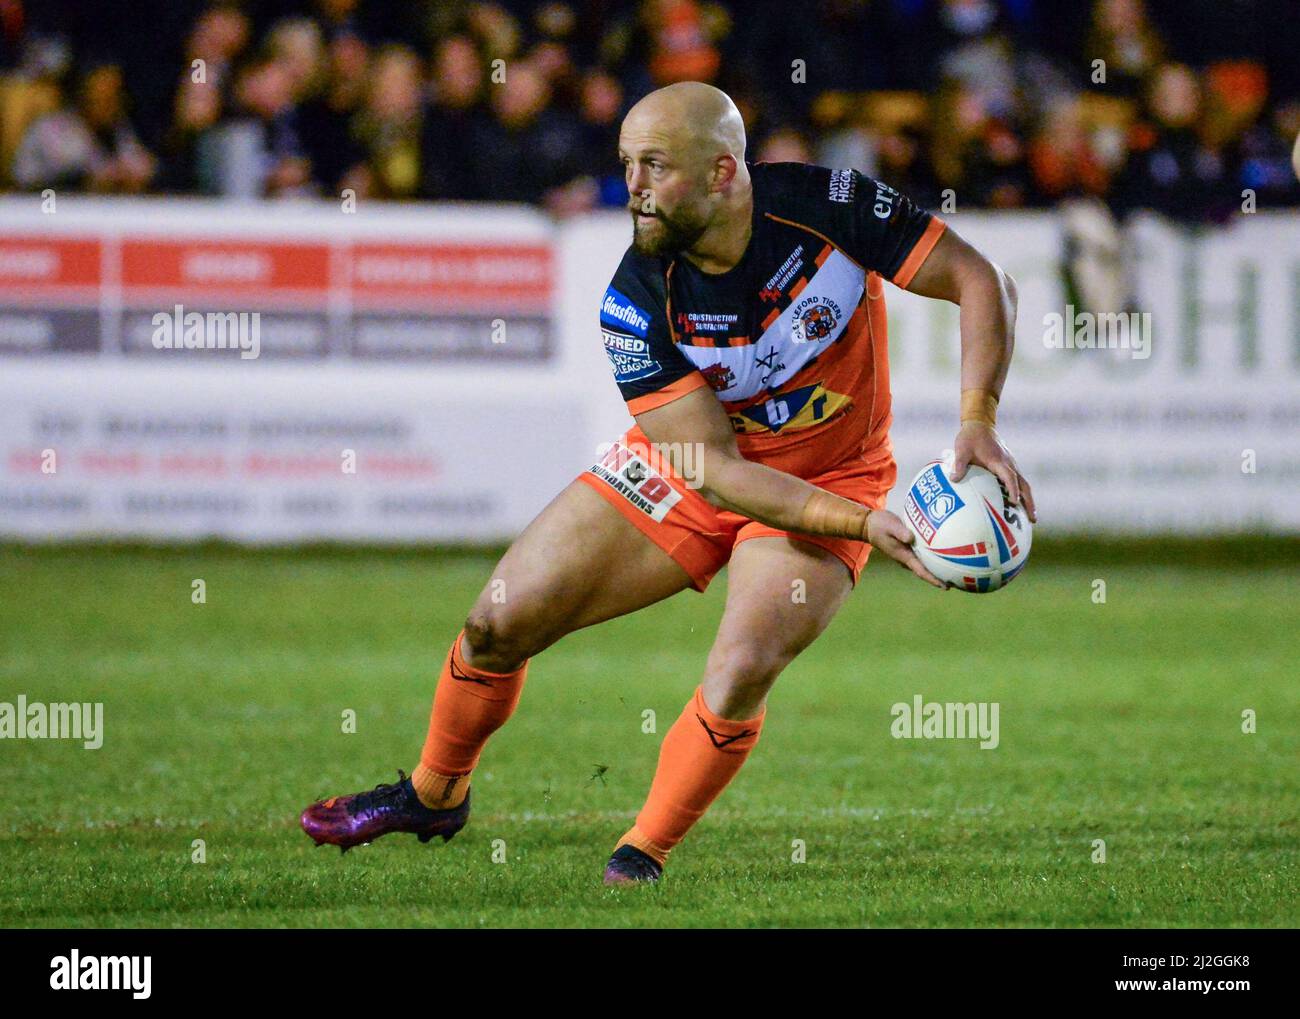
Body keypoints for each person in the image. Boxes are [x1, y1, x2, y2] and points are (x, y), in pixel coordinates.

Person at [300, 81, 1036, 885]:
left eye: (654, 166)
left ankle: (641, 853)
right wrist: (861, 528)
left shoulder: (828, 206)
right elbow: (713, 471)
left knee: (740, 667)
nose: (633, 190)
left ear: (723, 173)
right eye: (626, 166)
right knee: (496, 622)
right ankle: (434, 792)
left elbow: (978, 280)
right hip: (690, 464)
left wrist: (977, 418)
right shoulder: (637, 298)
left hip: (833, 473)